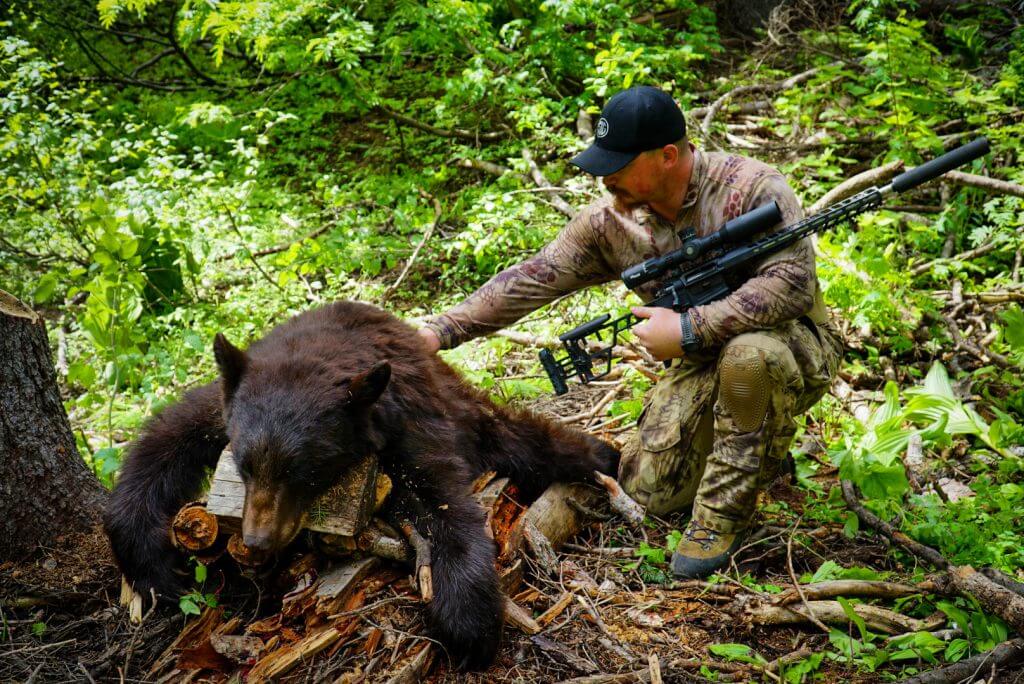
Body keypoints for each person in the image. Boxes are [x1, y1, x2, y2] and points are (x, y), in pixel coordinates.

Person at [416, 86, 842, 578]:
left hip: (791, 343)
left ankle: (721, 519)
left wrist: (688, 326)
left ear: (666, 156)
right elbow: (535, 276)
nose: (605, 175)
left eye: (618, 162)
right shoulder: (611, 221)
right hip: (702, 358)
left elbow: (791, 285)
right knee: (647, 492)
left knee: (749, 360)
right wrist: (438, 330)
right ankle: (754, 443)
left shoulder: (752, 189)